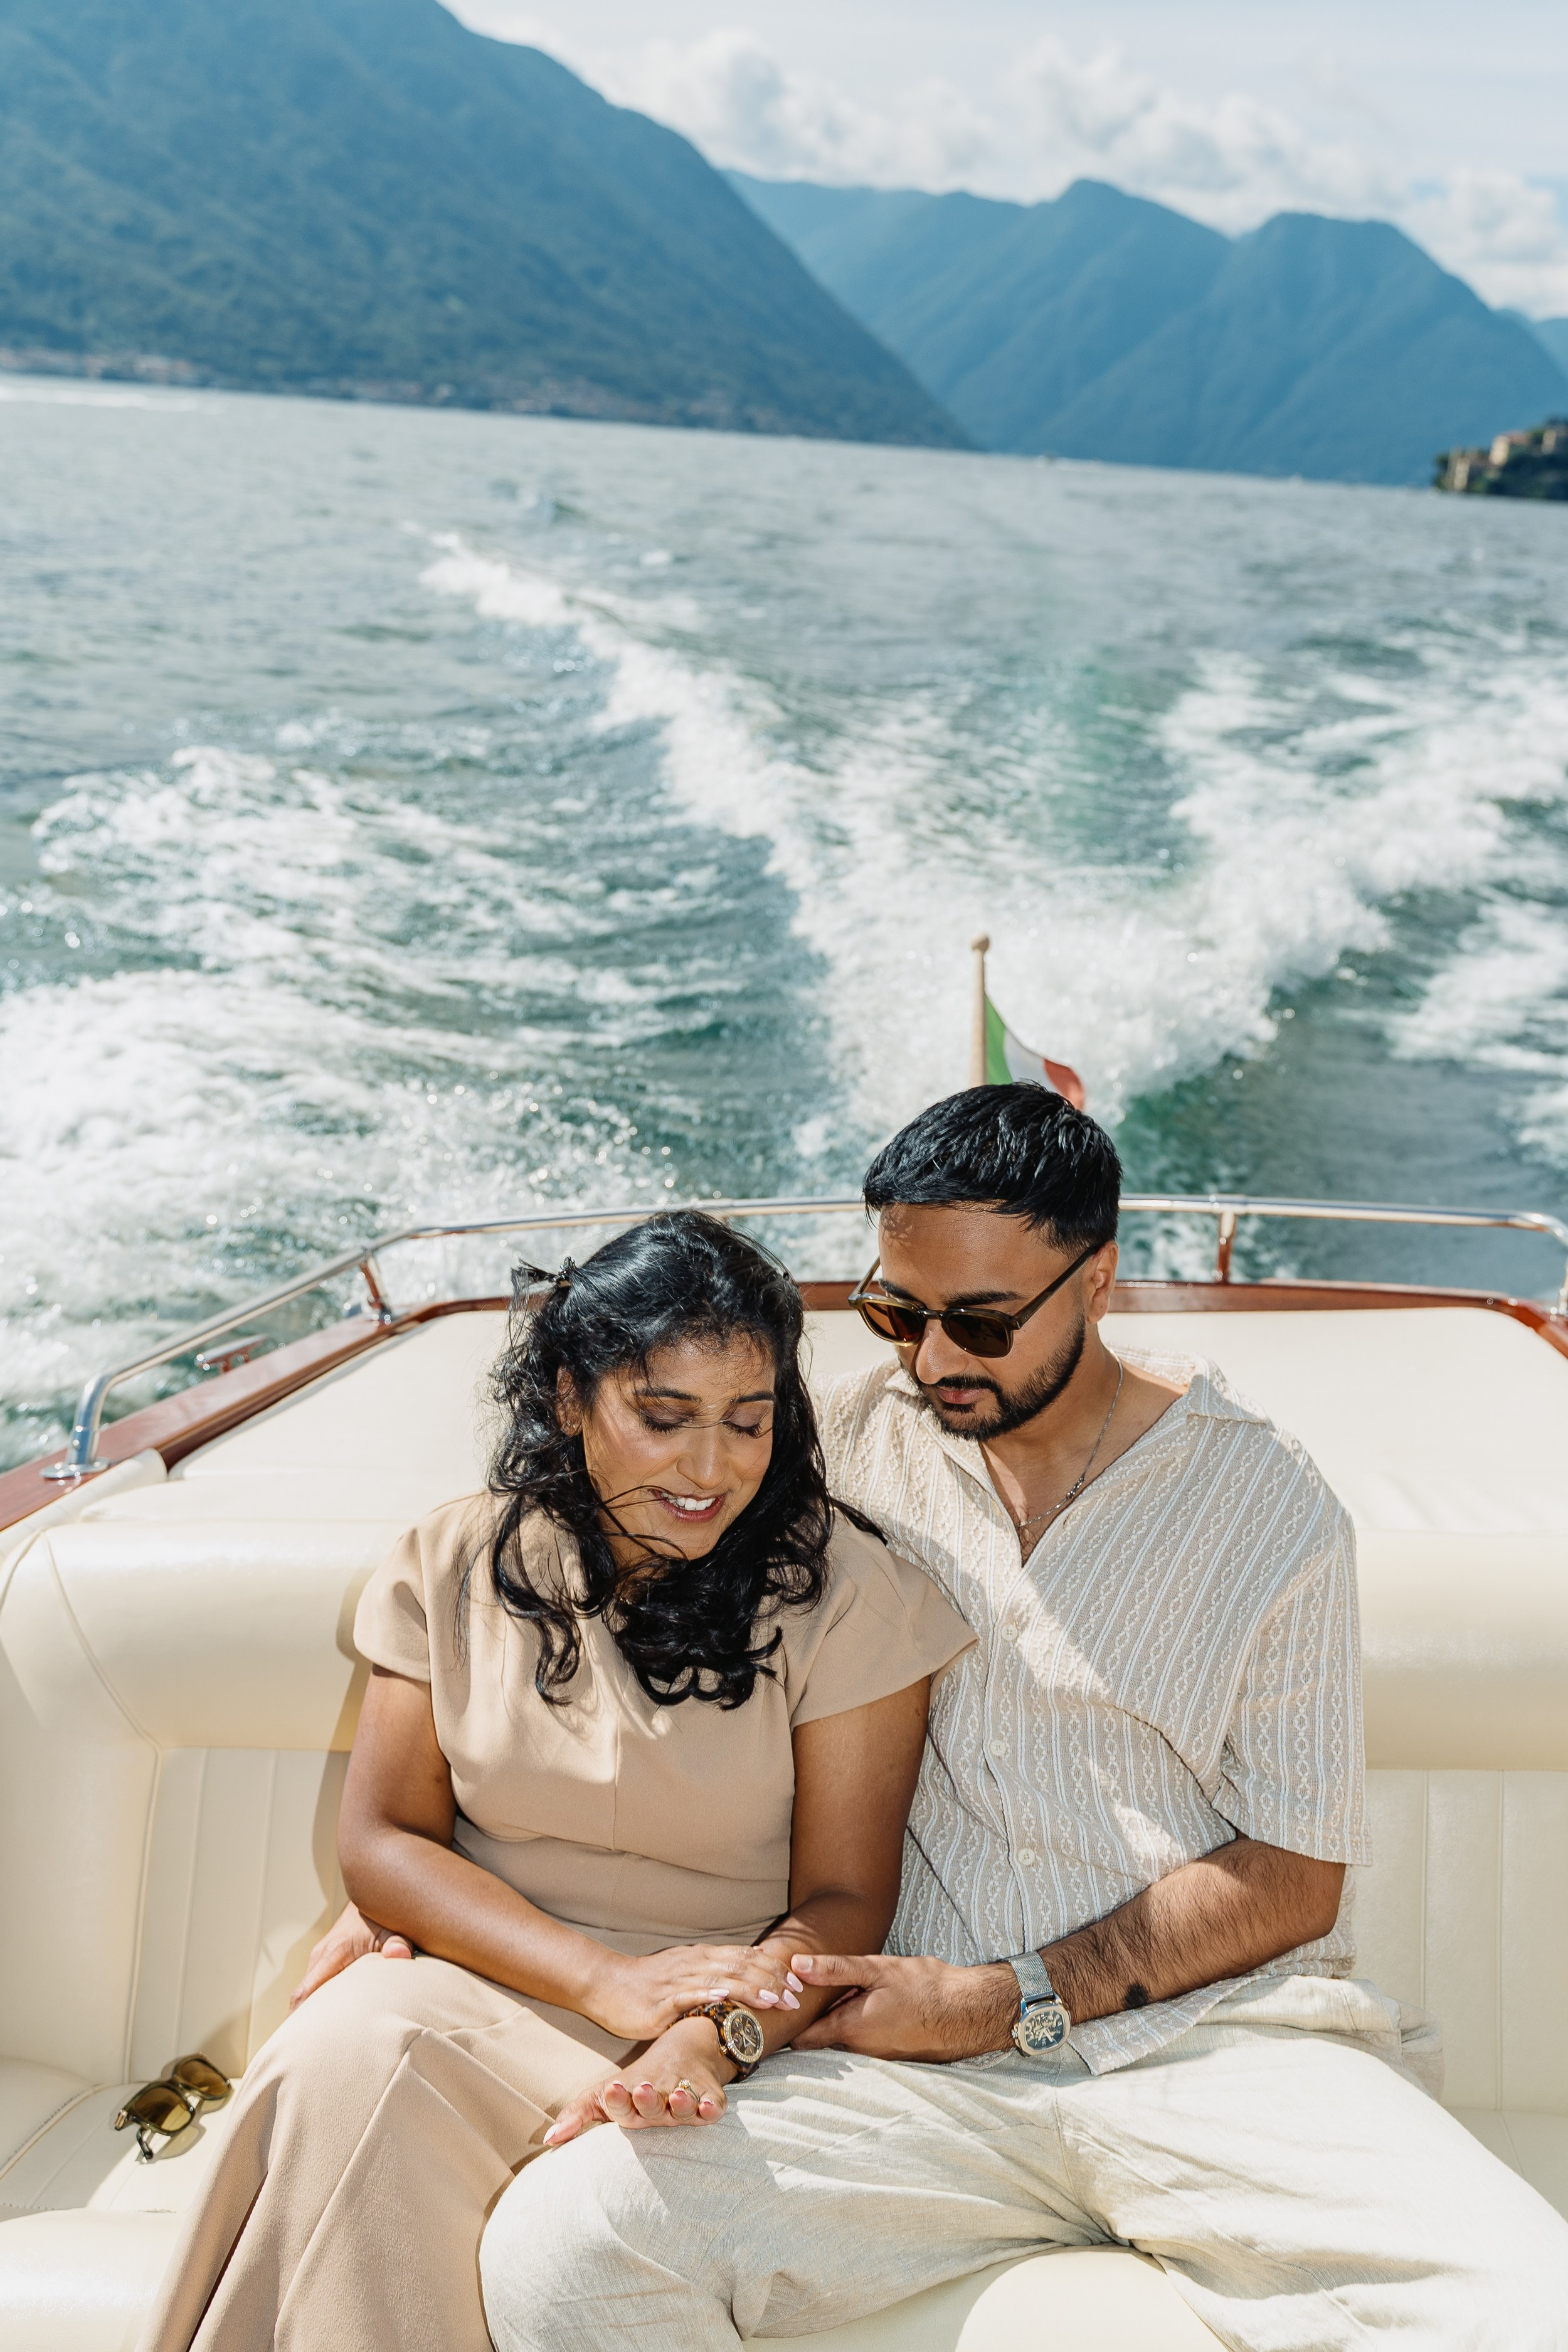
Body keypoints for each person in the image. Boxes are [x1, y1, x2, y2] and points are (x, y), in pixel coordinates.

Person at [482, 1086, 1568, 2351]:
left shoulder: (1268, 1507)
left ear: (1096, 1280)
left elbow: (1289, 1876)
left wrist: (1005, 2000)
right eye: (895, 1313)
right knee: (568, 2247)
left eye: (981, 1322)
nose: (931, 1358)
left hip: (1215, 2053)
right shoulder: (829, 1458)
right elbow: (603, 1607)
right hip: (897, 2078)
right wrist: (433, 1871)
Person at [137, 1210, 972, 2352]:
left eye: (748, 1420)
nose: (712, 1467)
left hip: (730, 2017)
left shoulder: (854, 1595)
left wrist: (710, 2032)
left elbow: (842, 1904)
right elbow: (384, 1842)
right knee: (342, 2055)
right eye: (662, 1416)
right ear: (572, 1397)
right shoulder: (452, 1559)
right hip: (482, 1976)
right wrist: (599, 1978)